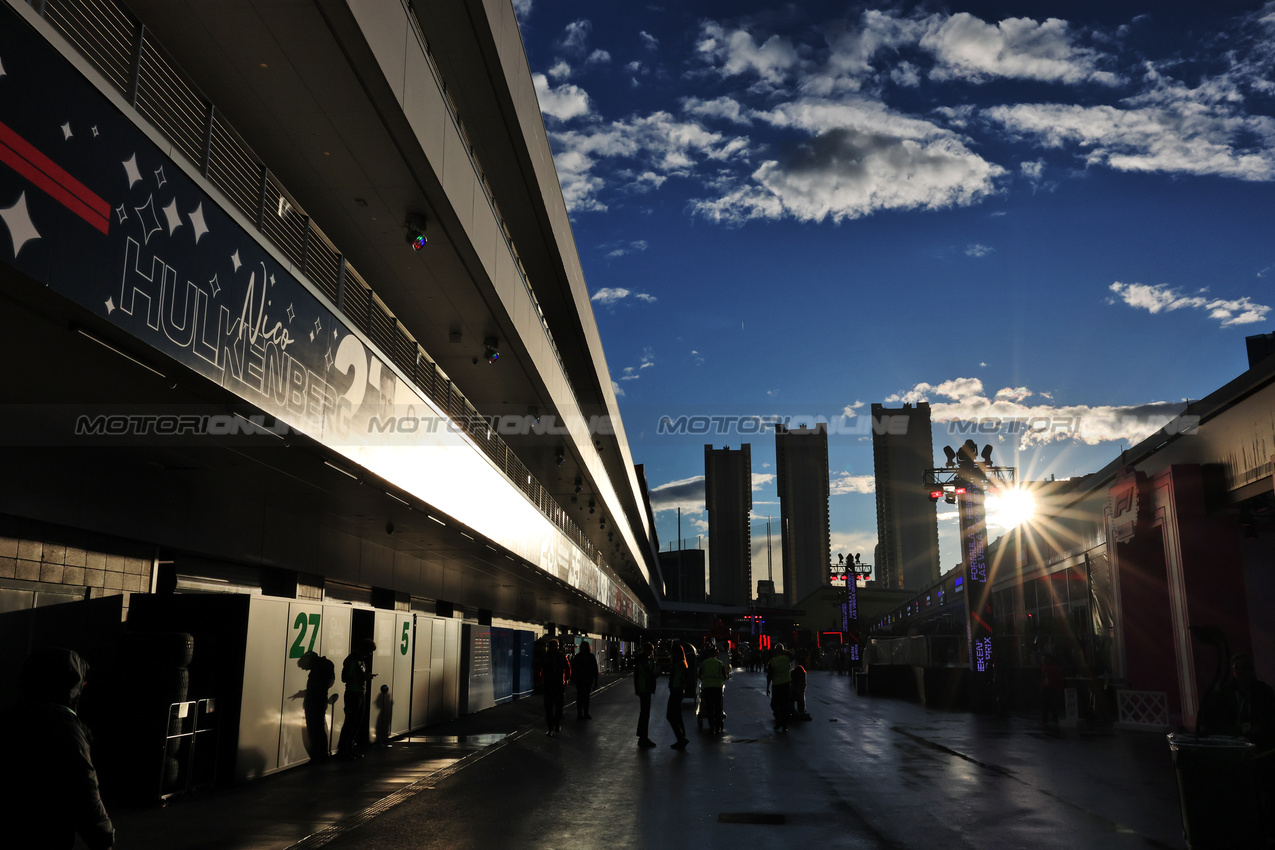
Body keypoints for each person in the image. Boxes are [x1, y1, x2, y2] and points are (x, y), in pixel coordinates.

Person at [0, 647, 114, 849]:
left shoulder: (10, 715)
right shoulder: (66, 729)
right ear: (71, 685)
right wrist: (103, 835)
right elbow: (84, 787)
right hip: (45, 834)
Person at [337, 638, 377, 760]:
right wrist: (364, 677)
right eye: (369, 651)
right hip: (353, 694)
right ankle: (343, 750)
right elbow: (345, 678)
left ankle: (349, 748)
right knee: (350, 723)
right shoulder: (352, 660)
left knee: (356, 722)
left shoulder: (359, 660)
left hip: (359, 693)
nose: (369, 654)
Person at [296, 650, 336, 761]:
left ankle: (319, 755)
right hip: (320, 699)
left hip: (314, 701)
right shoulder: (327, 665)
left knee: (314, 729)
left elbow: (316, 687)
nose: (304, 669)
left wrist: (307, 692)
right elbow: (329, 682)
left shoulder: (318, 669)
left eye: (305, 667)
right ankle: (321, 754)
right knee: (319, 728)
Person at [540, 639, 571, 736]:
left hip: (551, 684)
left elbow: (540, 670)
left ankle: (552, 726)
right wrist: (566, 679)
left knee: (551, 707)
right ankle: (554, 726)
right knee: (556, 706)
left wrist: (541, 681)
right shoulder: (561, 656)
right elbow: (568, 668)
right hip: (556, 684)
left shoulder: (547, 656)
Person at [698, 643, 730, 734]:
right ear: (716, 655)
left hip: (707, 687)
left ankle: (711, 727)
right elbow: (725, 676)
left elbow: (700, 675)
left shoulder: (703, 663)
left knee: (709, 707)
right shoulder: (720, 663)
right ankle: (718, 726)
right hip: (717, 687)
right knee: (718, 707)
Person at [666, 643, 690, 749]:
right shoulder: (683, 663)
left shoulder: (677, 664)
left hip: (676, 691)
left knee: (670, 716)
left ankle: (681, 738)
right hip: (679, 691)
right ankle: (682, 739)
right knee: (678, 716)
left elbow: (675, 678)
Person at [634, 643, 657, 748]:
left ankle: (643, 736)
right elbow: (648, 673)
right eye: (651, 650)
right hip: (645, 688)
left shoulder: (641, 659)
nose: (652, 652)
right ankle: (643, 738)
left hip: (643, 688)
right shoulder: (644, 660)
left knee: (644, 713)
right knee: (645, 714)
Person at [765, 644, 793, 732]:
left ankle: (779, 720)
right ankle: (784, 725)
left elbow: (769, 676)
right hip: (786, 684)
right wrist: (785, 651)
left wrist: (767, 687)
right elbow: (792, 656)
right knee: (785, 705)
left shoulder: (773, 661)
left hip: (776, 685)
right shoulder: (787, 659)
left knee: (774, 704)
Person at [572, 642, 600, 720]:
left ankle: (580, 713)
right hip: (587, 679)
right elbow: (595, 669)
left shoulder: (578, 657)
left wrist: (573, 678)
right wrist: (596, 680)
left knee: (580, 697)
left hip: (581, 679)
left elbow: (574, 668)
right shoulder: (590, 657)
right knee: (586, 697)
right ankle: (585, 713)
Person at [1040, 653, 1065, 727]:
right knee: (1052, 704)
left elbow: (1043, 678)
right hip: (1052, 687)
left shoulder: (1045, 668)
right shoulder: (1054, 668)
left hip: (1049, 687)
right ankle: (1052, 718)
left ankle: (1046, 718)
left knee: (1047, 704)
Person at [792, 650, 811, 720]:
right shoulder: (802, 674)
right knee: (801, 698)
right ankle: (801, 711)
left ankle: (795, 711)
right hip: (794, 690)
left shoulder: (793, 673)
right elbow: (803, 684)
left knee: (797, 697)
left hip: (794, 689)